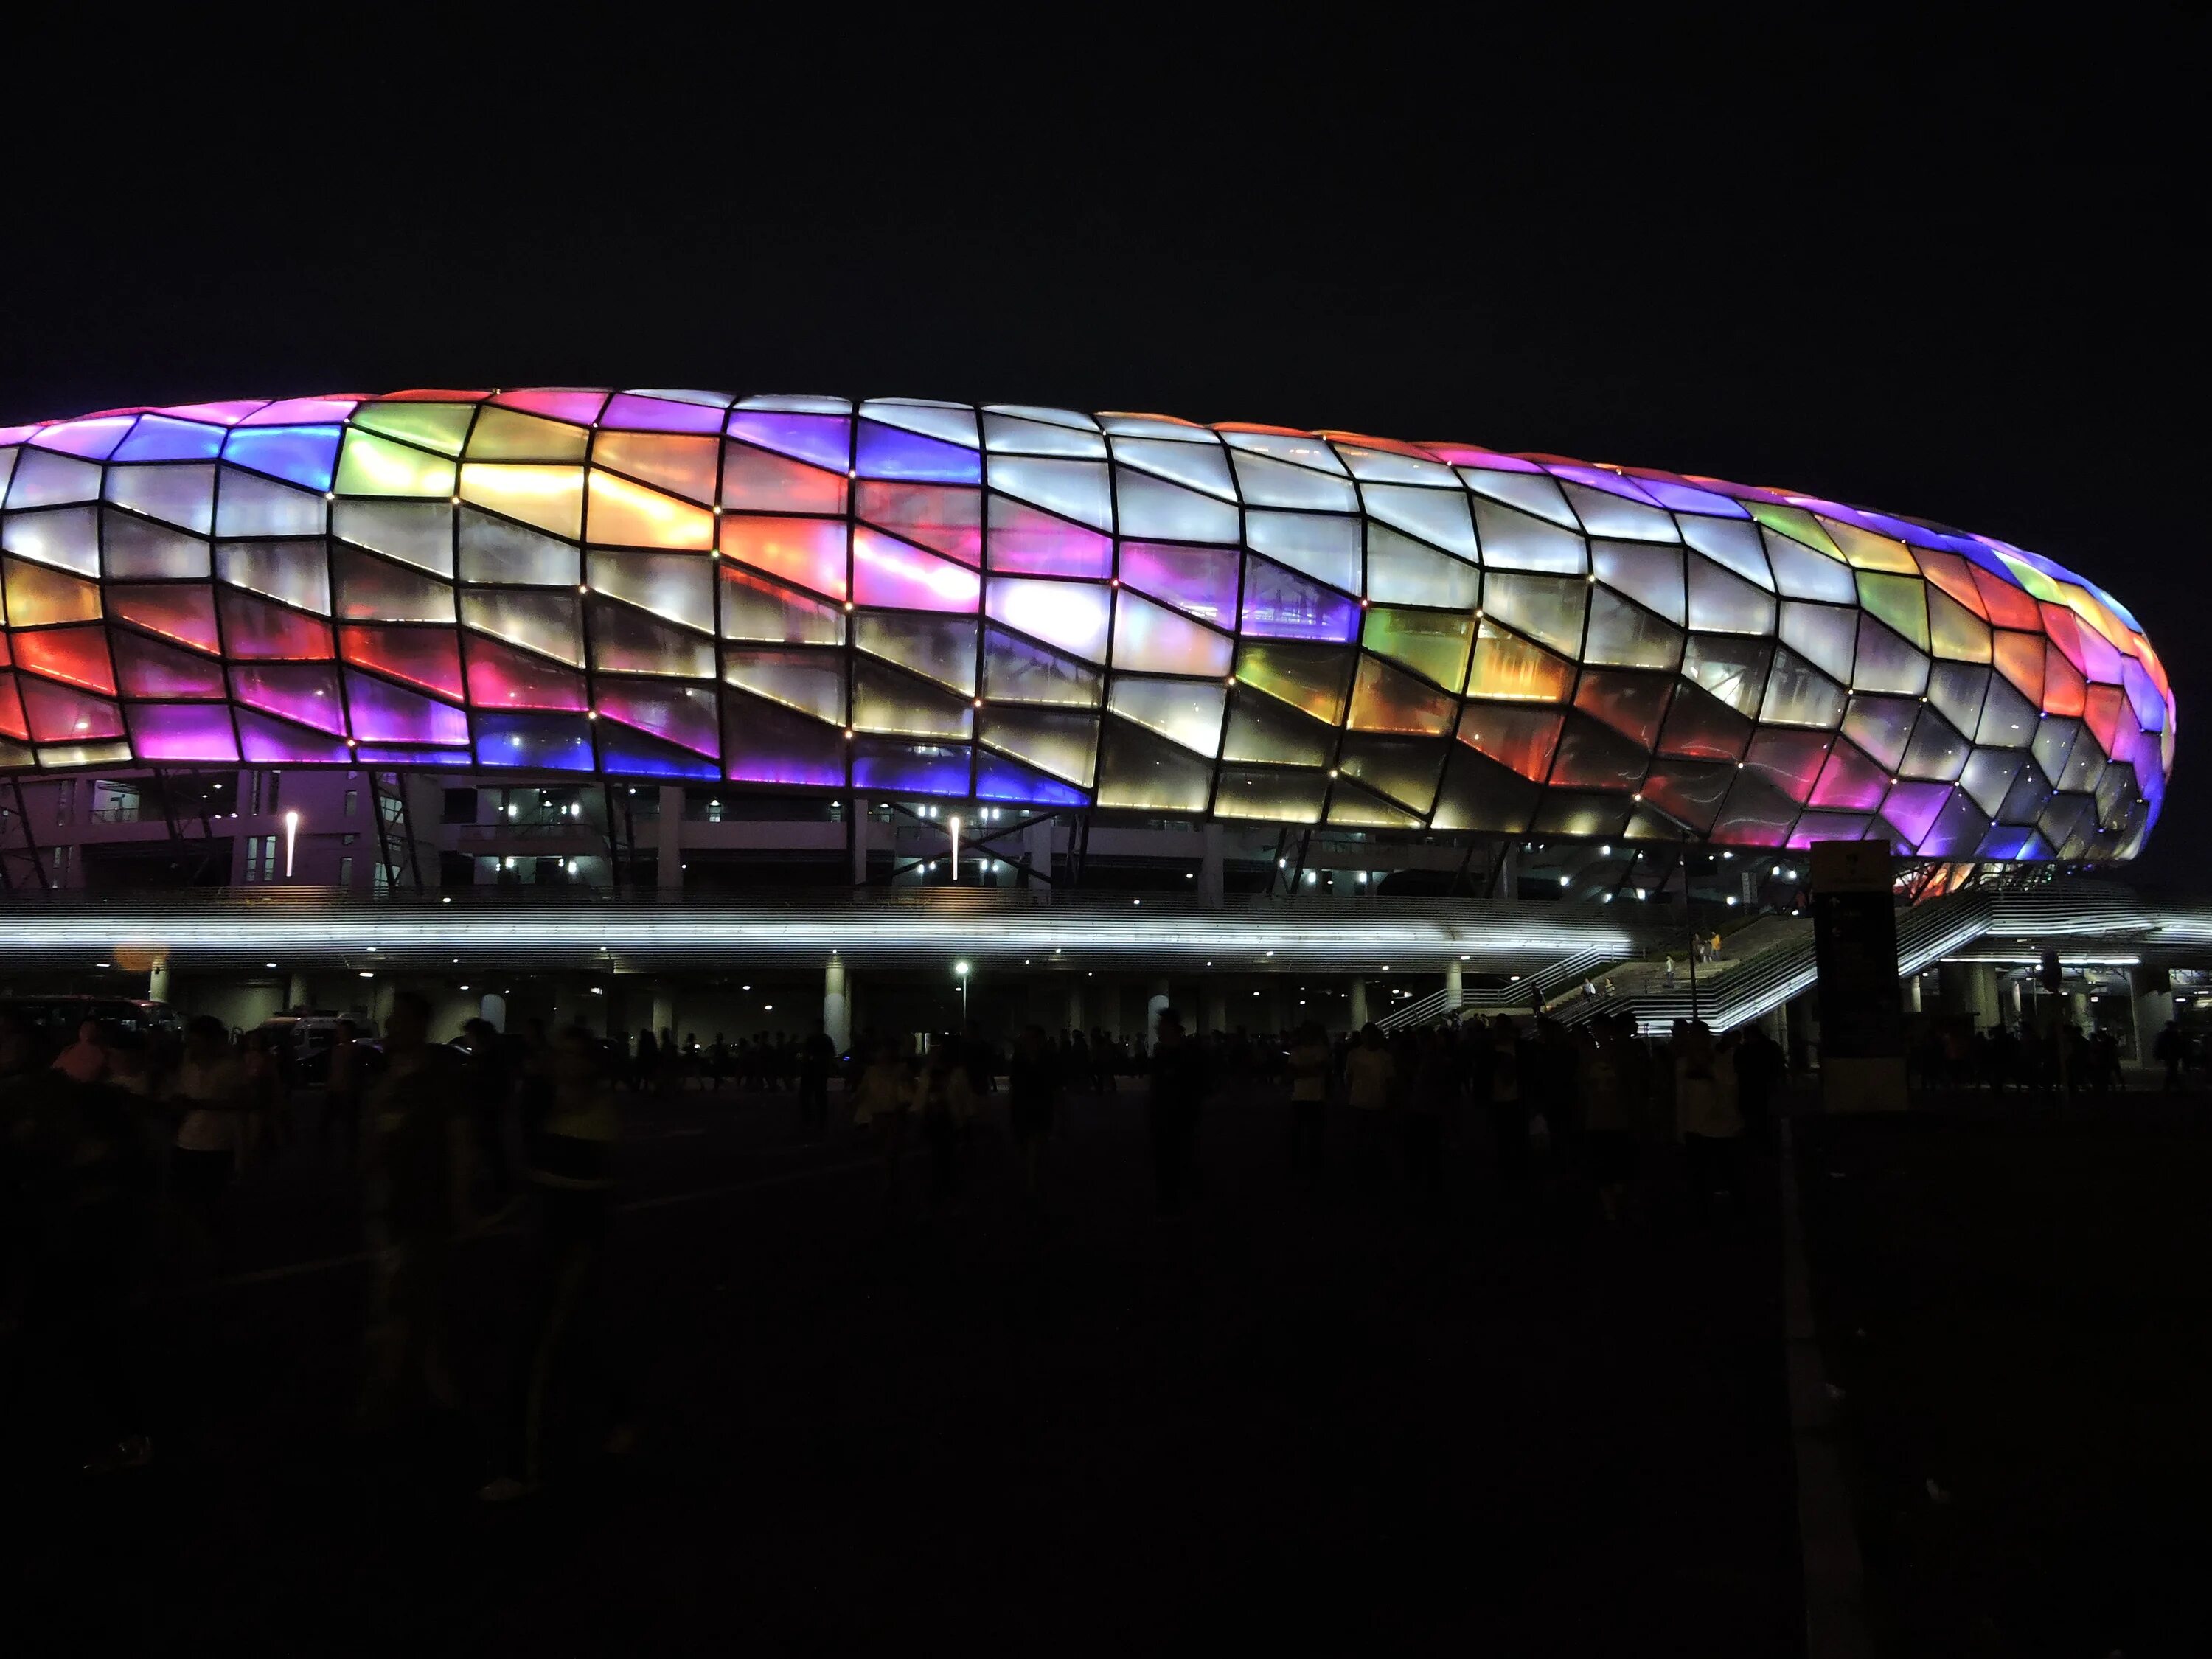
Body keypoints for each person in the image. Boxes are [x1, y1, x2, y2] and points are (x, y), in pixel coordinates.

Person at [481, 1026, 630, 1500]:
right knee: (574, 1341)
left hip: (573, 1242)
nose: (562, 1061)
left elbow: (588, 1184)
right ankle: (617, 1417)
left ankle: (526, 1468)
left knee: (536, 1347)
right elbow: (536, 1175)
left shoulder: (596, 1109)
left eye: (572, 1053)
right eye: (557, 1052)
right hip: (546, 1235)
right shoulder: (540, 1102)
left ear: (588, 1063)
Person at [361, 991, 471, 1420]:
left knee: (410, 1298)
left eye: (400, 1020)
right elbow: (372, 1139)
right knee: (400, 1296)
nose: (390, 1027)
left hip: (427, 1205)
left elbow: (461, 1144)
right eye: (391, 1021)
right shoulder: (388, 1080)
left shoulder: (438, 1082)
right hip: (389, 1205)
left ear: (420, 1026)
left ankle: (392, 1392)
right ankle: (419, 1376)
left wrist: (461, 1204)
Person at [167, 1015, 246, 1253]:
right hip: (185, 1141)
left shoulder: (231, 1069)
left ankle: (212, 1248)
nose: (193, 1046)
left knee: (209, 1202)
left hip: (216, 1145)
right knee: (184, 1200)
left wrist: (243, 1153)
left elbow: (241, 1106)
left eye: (198, 1041)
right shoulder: (189, 1067)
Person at [1674, 1020, 1744, 1217]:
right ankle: (1710, 1211)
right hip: (1699, 1127)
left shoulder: (1717, 1061)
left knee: (1721, 1172)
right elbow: (1681, 1097)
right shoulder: (1687, 1064)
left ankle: (1719, 1211)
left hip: (1717, 1126)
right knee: (1704, 1174)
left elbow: (1730, 1088)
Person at [1147, 1008, 1208, 1213]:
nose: (1158, 1028)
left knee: (1176, 1162)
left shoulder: (1185, 1055)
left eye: (1162, 1024)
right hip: (1166, 1117)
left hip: (1180, 1117)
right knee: (1168, 1163)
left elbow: (1199, 1085)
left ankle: (1175, 1204)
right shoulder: (1164, 1053)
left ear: (1172, 1027)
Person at [909, 1037, 975, 1205]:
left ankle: (943, 1194)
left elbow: (964, 1098)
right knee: (940, 1159)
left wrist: (967, 1119)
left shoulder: (956, 1074)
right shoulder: (929, 1073)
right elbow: (921, 1096)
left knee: (944, 1159)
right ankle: (943, 1194)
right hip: (932, 1119)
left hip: (949, 1119)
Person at [1343, 1023, 1395, 1198]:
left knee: (1369, 1141)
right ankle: (1369, 1174)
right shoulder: (1379, 1057)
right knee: (1366, 1140)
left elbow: (1349, 1078)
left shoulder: (1375, 1056)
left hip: (1369, 1102)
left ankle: (1366, 1175)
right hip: (1364, 1102)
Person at [1006, 1025, 1060, 1194]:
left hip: (1040, 1108)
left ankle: (1032, 1183)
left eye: (1031, 1038)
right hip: (1022, 1108)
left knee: (1034, 1146)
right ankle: (1032, 1179)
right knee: (1026, 1147)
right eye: (1026, 1039)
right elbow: (1013, 1085)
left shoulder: (1048, 1060)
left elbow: (1056, 1087)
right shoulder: (1020, 1060)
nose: (1028, 1042)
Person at [1285, 1022, 1331, 1175]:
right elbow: (1317, 1070)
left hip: (1310, 1097)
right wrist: (1311, 1070)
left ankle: (1305, 1165)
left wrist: (1300, 1071)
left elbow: (1294, 1073)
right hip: (1307, 1097)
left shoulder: (1297, 1053)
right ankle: (1309, 1165)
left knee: (1310, 1135)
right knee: (1305, 1134)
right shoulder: (1318, 1051)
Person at [324, 1018, 365, 1164]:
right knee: (329, 1125)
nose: (338, 1034)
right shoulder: (338, 1049)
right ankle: (331, 1153)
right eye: (338, 1031)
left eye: (341, 1031)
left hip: (348, 1092)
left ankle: (350, 1157)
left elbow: (356, 1073)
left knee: (349, 1127)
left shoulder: (355, 1050)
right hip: (336, 1091)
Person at [799, 1020, 834, 1137]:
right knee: (821, 1097)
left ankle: (808, 1119)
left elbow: (805, 1056)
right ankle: (821, 1121)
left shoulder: (810, 1039)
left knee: (806, 1097)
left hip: (810, 1072)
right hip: (820, 1072)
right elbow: (831, 1055)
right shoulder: (827, 1040)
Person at [52, 1018, 109, 1085]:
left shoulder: (106, 1054)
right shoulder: (69, 1049)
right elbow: (55, 1068)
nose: (86, 1031)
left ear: (99, 1031)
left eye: (91, 1028)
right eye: (84, 1028)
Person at [2155, 1020, 2186, 1093]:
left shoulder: (2164, 1035)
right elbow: (2179, 1045)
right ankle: (2173, 1086)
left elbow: (2159, 1046)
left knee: (2172, 1070)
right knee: (2172, 1070)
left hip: (2169, 1055)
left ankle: (2170, 1086)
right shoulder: (2174, 1035)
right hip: (2172, 1055)